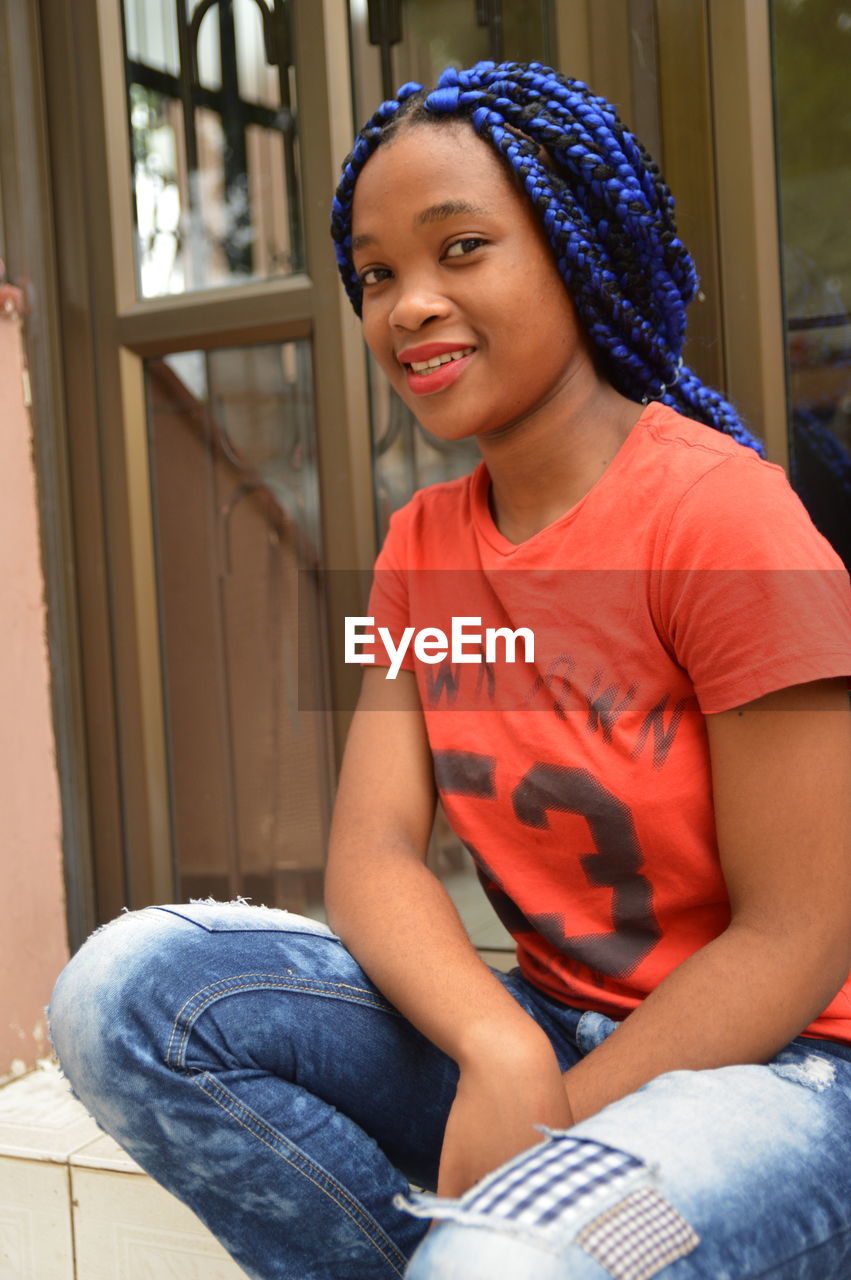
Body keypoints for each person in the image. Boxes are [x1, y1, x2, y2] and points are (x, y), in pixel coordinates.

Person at [49, 61, 851, 1280]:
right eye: (376, 275)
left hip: (790, 1087)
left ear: (576, 253)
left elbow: (799, 932)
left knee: (509, 1256)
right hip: (544, 1028)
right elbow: (370, 854)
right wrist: (499, 1045)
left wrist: (553, 1122)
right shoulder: (421, 546)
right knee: (124, 995)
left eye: (460, 248)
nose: (408, 304)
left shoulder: (724, 521)